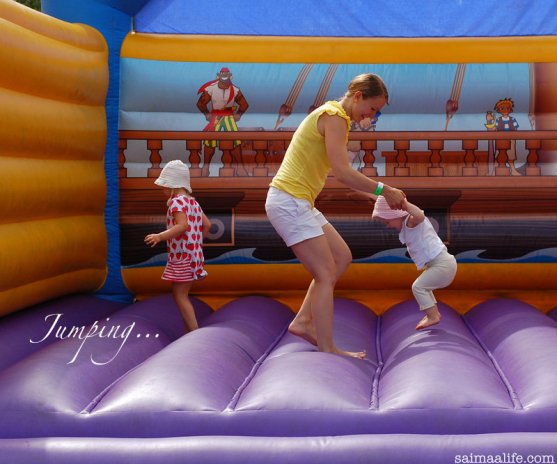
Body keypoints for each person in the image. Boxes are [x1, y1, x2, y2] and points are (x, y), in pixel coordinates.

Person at [265, 73, 405, 359]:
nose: (372, 116)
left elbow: (338, 173)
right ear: (357, 97)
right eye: (373, 108)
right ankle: (328, 346)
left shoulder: (334, 115)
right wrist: (384, 189)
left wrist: (376, 194)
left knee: (342, 257)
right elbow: (342, 172)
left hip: (298, 201)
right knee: (325, 271)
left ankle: (303, 321)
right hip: (288, 201)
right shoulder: (335, 117)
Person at [145, 160, 212, 332]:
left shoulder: (177, 203)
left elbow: (182, 226)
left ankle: (194, 331)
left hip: (183, 256)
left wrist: (159, 236)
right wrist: (196, 243)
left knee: (180, 295)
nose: (163, 190)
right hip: (193, 255)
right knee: (182, 294)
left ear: (174, 184)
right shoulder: (193, 203)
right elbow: (207, 225)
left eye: (165, 185)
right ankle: (188, 330)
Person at [372, 196, 457, 330]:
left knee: (418, 287)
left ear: (395, 214)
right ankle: (433, 313)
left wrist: (403, 204)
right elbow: (382, 198)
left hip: (443, 265)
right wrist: (370, 192)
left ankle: (433, 316)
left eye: (387, 222)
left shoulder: (411, 221)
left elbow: (419, 215)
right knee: (424, 288)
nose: (387, 226)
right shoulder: (406, 225)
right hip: (440, 265)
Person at [197, 67, 249, 176]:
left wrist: (238, 115)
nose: (224, 75)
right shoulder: (210, 89)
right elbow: (200, 104)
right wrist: (207, 114)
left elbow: (244, 105)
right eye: (222, 73)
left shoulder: (235, 90)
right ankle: (205, 169)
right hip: (215, 117)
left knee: (235, 142)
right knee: (209, 142)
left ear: (230, 75)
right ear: (218, 75)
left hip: (229, 117)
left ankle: (240, 169)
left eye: (226, 73)